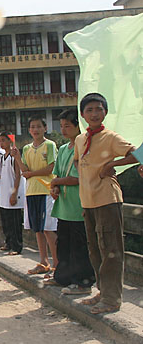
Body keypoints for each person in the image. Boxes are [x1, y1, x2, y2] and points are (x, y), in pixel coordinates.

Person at [74, 93, 138, 314]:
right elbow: (78, 161)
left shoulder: (110, 137)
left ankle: (112, 299)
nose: (94, 114)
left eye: (98, 109)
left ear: (105, 112)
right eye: (89, 110)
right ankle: (103, 291)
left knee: (111, 249)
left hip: (107, 200)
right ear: (82, 115)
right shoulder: (80, 139)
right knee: (95, 250)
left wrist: (113, 164)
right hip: (88, 201)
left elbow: (137, 154)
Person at [46, 109, 95, 293]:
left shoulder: (83, 148)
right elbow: (58, 174)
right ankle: (63, 278)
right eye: (61, 126)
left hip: (78, 206)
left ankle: (83, 283)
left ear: (77, 126)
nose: (64, 130)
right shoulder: (65, 149)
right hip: (64, 206)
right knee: (64, 245)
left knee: (79, 246)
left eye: (68, 125)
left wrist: (57, 181)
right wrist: (55, 186)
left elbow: (77, 178)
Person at [11, 117, 58, 274]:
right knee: (38, 228)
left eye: (38, 126)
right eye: (32, 127)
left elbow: (51, 168)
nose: (35, 129)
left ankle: (57, 264)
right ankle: (43, 261)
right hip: (31, 191)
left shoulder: (50, 145)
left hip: (46, 191)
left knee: (48, 228)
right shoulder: (26, 149)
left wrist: (32, 173)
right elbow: (24, 171)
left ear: (45, 128)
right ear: (29, 130)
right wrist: (17, 157)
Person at [0, 132, 25, 255]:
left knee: (14, 221)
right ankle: (8, 242)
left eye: (3, 140)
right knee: (6, 220)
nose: (1, 143)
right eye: (0, 141)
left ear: (9, 141)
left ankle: (16, 246)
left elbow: (17, 175)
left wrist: (14, 193)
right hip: (4, 193)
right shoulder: (4, 156)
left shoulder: (14, 157)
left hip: (13, 192)